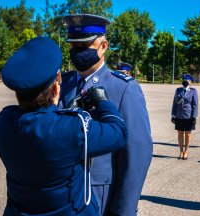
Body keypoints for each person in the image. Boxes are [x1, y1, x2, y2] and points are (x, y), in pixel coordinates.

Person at [0, 37, 128, 216]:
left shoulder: (3, 120)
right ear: (57, 89)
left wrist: (61, 113)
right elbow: (119, 133)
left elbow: (39, 123)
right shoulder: (73, 127)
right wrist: (103, 102)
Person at [59, 14, 153, 216]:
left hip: (98, 198)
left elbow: (136, 154)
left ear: (104, 46)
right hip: (59, 198)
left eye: (84, 46)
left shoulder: (123, 89)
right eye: (73, 46)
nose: (77, 52)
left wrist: (123, 210)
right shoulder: (61, 84)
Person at [171, 74, 198, 160]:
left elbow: (195, 105)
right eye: (183, 80)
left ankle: (186, 152)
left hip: (189, 116)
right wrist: (173, 115)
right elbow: (174, 103)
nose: (185, 81)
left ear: (190, 82)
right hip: (179, 115)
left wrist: (194, 116)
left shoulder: (193, 91)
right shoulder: (178, 90)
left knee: (188, 134)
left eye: (187, 80)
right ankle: (181, 151)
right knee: (180, 134)